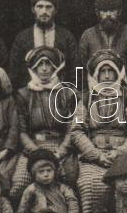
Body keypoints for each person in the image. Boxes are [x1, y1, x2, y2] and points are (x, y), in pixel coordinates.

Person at [71, 49, 127, 213]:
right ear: (96, 74)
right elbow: (77, 131)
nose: (107, 75)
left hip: (122, 155)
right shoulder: (87, 98)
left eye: (111, 71)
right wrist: (95, 155)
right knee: (88, 183)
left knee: (124, 184)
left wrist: (122, 151)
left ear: (118, 73)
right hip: (94, 154)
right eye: (103, 71)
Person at [10, 46, 78, 204]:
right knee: (19, 185)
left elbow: (71, 129)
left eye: (49, 64)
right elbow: (22, 131)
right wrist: (35, 152)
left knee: (70, 179)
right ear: (33, 68)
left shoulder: (67, 93)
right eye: (40, 64)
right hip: (34, 148)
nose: (45, 68)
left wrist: (61, 152)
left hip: (60, 147)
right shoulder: (24, 94)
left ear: (55, 67)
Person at [14, 149, 94, 213]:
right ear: (34, 174)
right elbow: (22, 210)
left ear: (55, 171)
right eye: (41, 172)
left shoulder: (64, 188)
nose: (46, 175)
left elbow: (73, 206)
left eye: (49, 170)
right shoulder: (31, 189)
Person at [8, 0, 79, 88]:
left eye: (48, 7)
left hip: (60, 95)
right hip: (29, 96)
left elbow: (76, 69)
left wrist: (73, 94)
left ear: (55, 10)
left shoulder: (66, 37)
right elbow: (14, 72)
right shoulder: (22, 38)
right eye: (40, 6)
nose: (44, 11)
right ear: (33, 9)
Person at [79, 0, 127, 85]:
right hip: (95, 92)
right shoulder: (87, 35)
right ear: (97, 12)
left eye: (112, 10)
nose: (108, 14)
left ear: (119, 11)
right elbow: (81, 68)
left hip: (124, 92)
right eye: (104, 11)